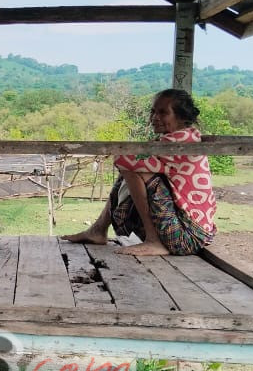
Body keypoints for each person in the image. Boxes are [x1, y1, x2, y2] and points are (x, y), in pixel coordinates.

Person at [63, 88, 217, 256]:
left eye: (163, 112)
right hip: (189, 233)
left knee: (134, 170)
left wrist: (136, 159)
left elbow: (122, 160)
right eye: (153, 112)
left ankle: (152, 240)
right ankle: (98, 230)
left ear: (181, 117)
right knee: (133, 169)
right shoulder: (181, 137)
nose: (154, 118)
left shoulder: (178, 143)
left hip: (186, 237)